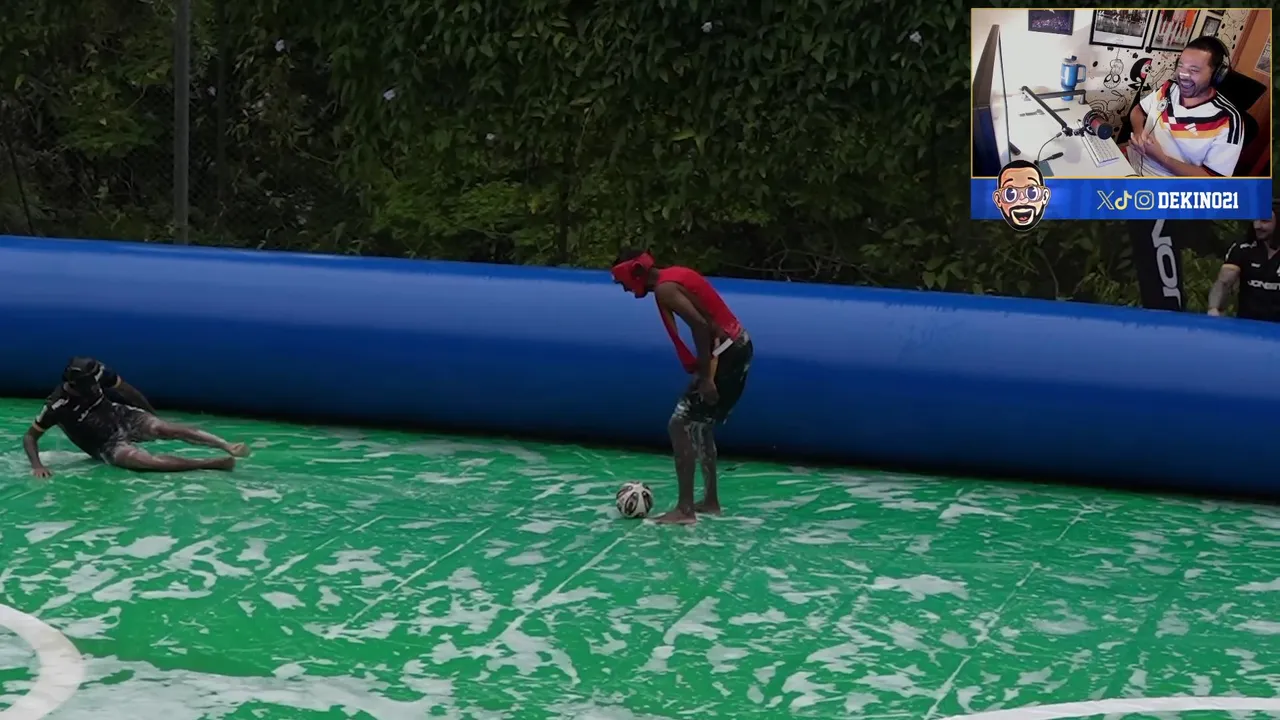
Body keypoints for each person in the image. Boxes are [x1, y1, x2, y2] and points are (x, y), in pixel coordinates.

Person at [611, 249, 754, 525]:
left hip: (727, 353)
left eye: (623, 282)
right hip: (736, 347)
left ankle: (685, 510)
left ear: (635, 272)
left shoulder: (665, 289)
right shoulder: (674, 275)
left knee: (679, 424)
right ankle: (710, 501)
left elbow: (700, 326)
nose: (625, 289)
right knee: (701, 424)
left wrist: (707, 377)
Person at [24, 357, 250, 477]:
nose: (96, 385)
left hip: (122, 416)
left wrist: (152, 416)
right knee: (141, 461)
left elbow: (127, 391)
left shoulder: (98, 374)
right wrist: (37, 466)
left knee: (166, 429)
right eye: (91, 384)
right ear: (79, 385)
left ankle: (226, 445)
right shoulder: (57, 405)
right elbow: (30, 437)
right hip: (104, 444)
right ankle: (210, 464)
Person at [1128, 36, 1244, 178]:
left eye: (1194, 70)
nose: (1182, 75)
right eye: (1181, 66)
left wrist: (1163, 159)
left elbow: (1213, 180)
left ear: (1217, 75)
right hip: (1131, 161)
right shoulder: (1169, 88)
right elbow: (1138, 110)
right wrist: (1139, 132)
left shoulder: (1228, 120)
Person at [1207, 202, 1280, 321]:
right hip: (1248, 325)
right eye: (1255, 220)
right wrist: (1214, 308)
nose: (1257, 226)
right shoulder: (1243, 249)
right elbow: (1224, 282)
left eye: (1264, 221)